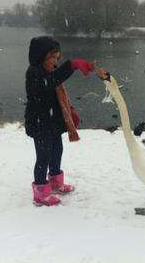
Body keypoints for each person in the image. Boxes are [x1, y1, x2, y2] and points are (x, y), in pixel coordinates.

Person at [25, 36, 104, 206]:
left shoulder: (50, 70)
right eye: (51, 57)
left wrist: (70, 112)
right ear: (41, 57)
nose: (55, 60)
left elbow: (57, 93)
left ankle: (55, 182)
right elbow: (49, 83)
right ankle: (40, 192)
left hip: (52, 121)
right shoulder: (34, 73)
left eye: (57, 57)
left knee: (57, 151)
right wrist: (71, 65)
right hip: (40, 123)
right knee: (43, 157)